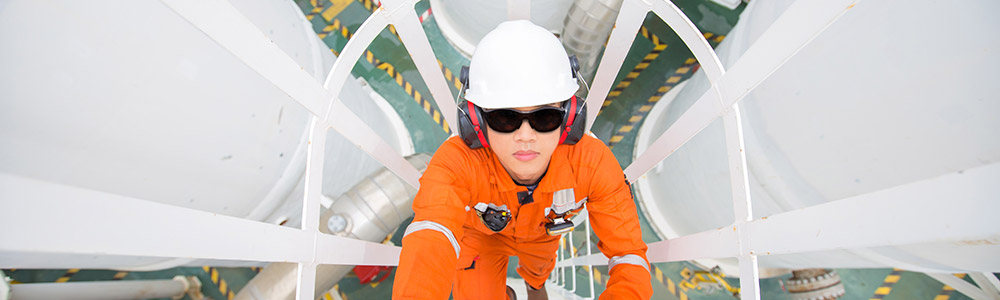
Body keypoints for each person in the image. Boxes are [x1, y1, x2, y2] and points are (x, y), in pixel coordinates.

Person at [392, 20, 652, 300]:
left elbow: (628, 255)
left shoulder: (592, 164)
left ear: (570, 119)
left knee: (538, 272)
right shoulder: (456, 164)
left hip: (542, 238)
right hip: (480, 240)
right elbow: (430, 238)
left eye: (545, 117)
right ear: (477, 122)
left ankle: (534, 286)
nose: (525, 136)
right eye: (505, 118)